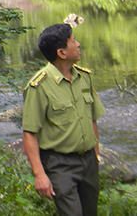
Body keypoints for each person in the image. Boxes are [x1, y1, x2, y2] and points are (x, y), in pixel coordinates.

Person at [22, 24, 105, 216]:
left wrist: (96, 154)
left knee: (90, 212)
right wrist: (39, 174)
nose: (78, 44)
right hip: (60, 164)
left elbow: (92, 118)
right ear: (62, 52)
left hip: (88, 161)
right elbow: (30, 133)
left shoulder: (84, 77)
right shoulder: (39, 86)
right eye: (73, 40)